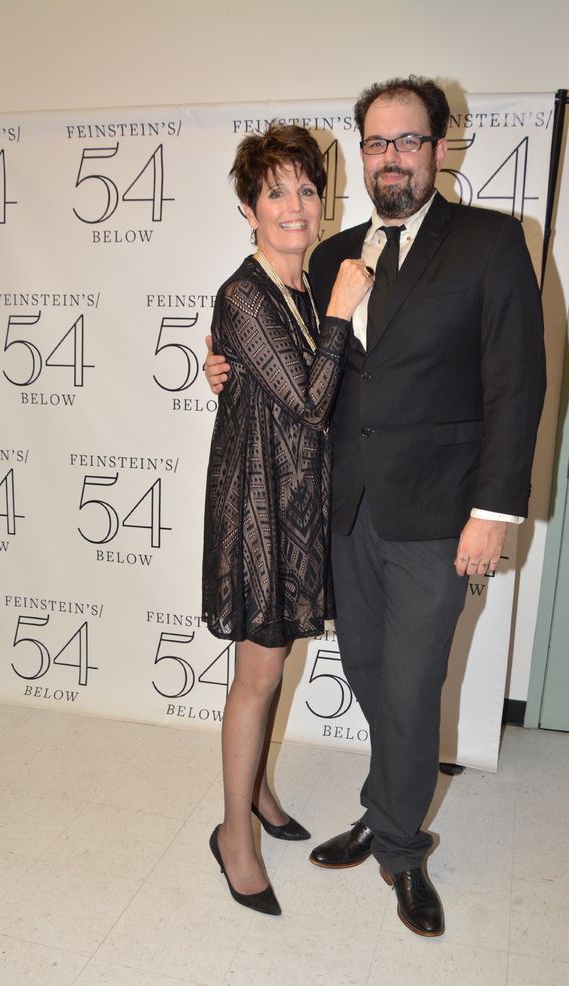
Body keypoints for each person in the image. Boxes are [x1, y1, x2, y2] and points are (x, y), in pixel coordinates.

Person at [204, 78, 546, 936]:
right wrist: (224, 371)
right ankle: (385, 797)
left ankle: (399, 844)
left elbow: (518, 381)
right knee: (369, 672)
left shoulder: (493, 243)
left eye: (409, 140)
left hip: (438, 514)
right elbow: (300, 369)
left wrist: (494, 510)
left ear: (438, 148)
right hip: (340, 513)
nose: (392, 156)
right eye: (377, 143)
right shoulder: (332, 254)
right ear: (363, 156)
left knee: (413, 679)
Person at [202, 124, 371, 917]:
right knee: (260, 673)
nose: (296, 205)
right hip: (260, 507)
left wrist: (330, 309)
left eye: (306, 188)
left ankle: (260, 792)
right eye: (276, 192)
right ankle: (235, 835)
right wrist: (341, 312)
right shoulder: (244, 294)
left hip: (302, 501)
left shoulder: (313, 282)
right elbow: (308, 400)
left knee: (273, 667)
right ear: (248, 208)